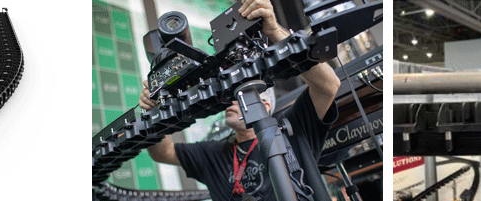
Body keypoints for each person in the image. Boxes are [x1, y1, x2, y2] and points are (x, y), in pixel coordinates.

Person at [138, 0, 341, 200]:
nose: (230, 101)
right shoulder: (214, 155)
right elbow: (162, 153)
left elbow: (328, 86)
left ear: (266, 105)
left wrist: (273, 31)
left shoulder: (293, 131)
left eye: (240, 94)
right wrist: (153, 112)